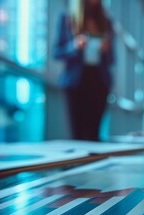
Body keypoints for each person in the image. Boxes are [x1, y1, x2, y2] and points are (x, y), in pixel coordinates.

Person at [54, 0, 114, 141]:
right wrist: (74, 46)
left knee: (94, 134)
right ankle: (78, 163)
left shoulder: (106, 22)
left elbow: (112, 60)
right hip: (76, 82)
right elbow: (57, 52)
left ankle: (93, 162)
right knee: (77, 134)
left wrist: (106, 50)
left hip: (99, 81)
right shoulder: (67, 19)